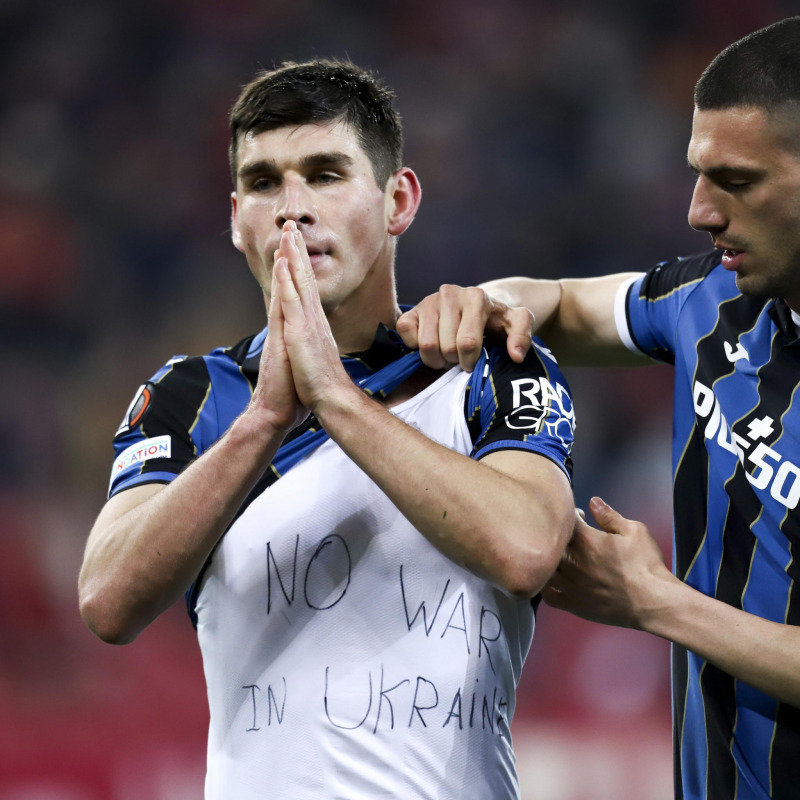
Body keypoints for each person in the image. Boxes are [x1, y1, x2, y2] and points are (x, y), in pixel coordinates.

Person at [78, 60, 576, 799]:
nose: (292, 208)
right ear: (237, 217)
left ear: (397, 200)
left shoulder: (490, 365)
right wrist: (265, 422)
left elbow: (527, 546)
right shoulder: (192, 397)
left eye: (325, 174)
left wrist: (335, 400)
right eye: (263, 182)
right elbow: (108, 600)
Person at [396, 17, 800, 800]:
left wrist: (656, 602)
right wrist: (486, 301)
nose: (699, 210)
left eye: (737, 181)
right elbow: (561, 305)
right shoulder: (711, 301)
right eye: (698, 172)